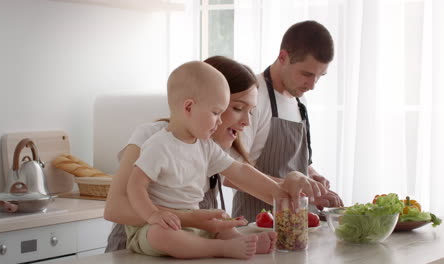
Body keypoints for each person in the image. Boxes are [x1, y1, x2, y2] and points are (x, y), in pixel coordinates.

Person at [124, 60, 326, 260]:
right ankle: (221, 248)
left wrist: (286, 193)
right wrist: (156, 216)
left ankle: (236, 244)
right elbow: (131, 190)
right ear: (190, 107)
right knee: (162, 234)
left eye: (251, 112)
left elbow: (240, 171)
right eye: (219, 112)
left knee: (223, 220)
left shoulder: (205, 145)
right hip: (154, 230)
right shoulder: (155, 141)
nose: (246, 122)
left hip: (191, 228)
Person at [229, 20, 344, 222]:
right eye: (306, 74)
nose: (312, 85)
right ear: (283, 57)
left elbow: (295, 162)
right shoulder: (252, 97)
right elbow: (228, 172)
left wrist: (312, 178)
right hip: (256, 225)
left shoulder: (301, 101)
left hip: (296, 225)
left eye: (319, 76)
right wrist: (292, 188)